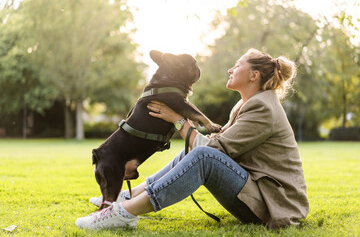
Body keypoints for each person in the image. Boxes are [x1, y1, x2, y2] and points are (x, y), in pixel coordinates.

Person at [75, 48, 309, 230]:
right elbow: (217, 141)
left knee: (202, 155)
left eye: (237, 66)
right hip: (257, 193)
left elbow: (216, 149)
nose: (230, 70)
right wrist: (185, 124)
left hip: (272, 205)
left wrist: (178, 121)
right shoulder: (248, 104)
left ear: (253, 75)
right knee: (192, 151)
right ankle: (129, 196)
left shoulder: (263, 107)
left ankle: (123, 213)